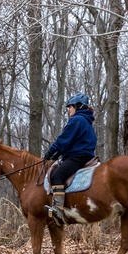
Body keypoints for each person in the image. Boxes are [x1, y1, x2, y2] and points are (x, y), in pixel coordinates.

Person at [42, 93, 97, 225]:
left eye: (70, 106)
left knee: (57, 175)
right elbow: (72, 142)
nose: (68, 109)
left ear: (78, 106)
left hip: (77, 157)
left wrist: (50, 152)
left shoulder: (77, 120)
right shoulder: (86, 121)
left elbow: (63, 140)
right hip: (85, 155)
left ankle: (58, 209)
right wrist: (59, 153)